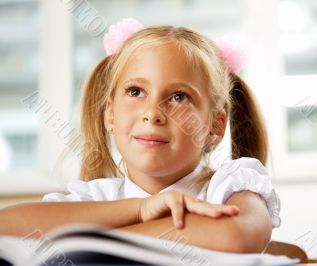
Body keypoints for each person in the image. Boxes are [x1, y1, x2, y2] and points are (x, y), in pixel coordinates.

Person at [0, 18, 280, 253]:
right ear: (109, 113)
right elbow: (5, 227)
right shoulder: (99, 198)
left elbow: (237, 236)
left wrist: (87, 241)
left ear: (215, 126)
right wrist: (140, 209)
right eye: (135, 92)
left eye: (179, 97)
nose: (152, 113)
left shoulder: (229, 185)